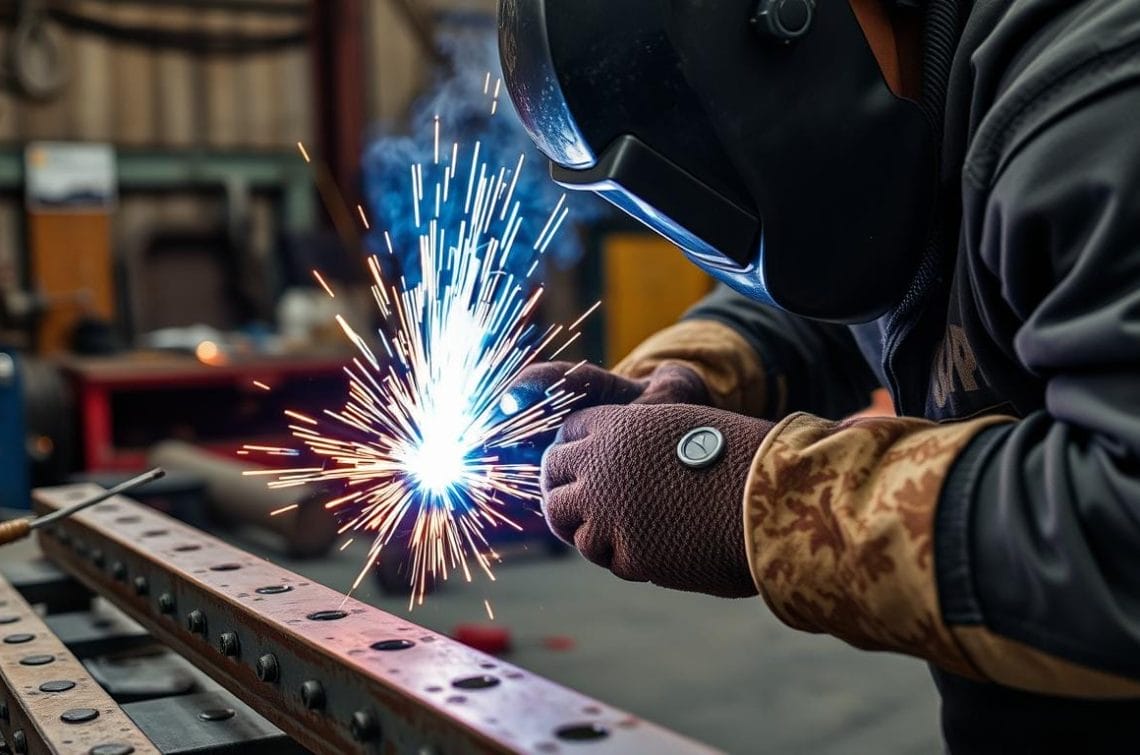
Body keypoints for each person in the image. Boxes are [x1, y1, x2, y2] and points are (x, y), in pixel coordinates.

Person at [498, 0, 1140, 751]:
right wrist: (690, 376)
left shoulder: (1093, 103)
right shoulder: (911, 115)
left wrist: (758, 498)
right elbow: (845, 291)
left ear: (788, 21)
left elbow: (1123, 532)